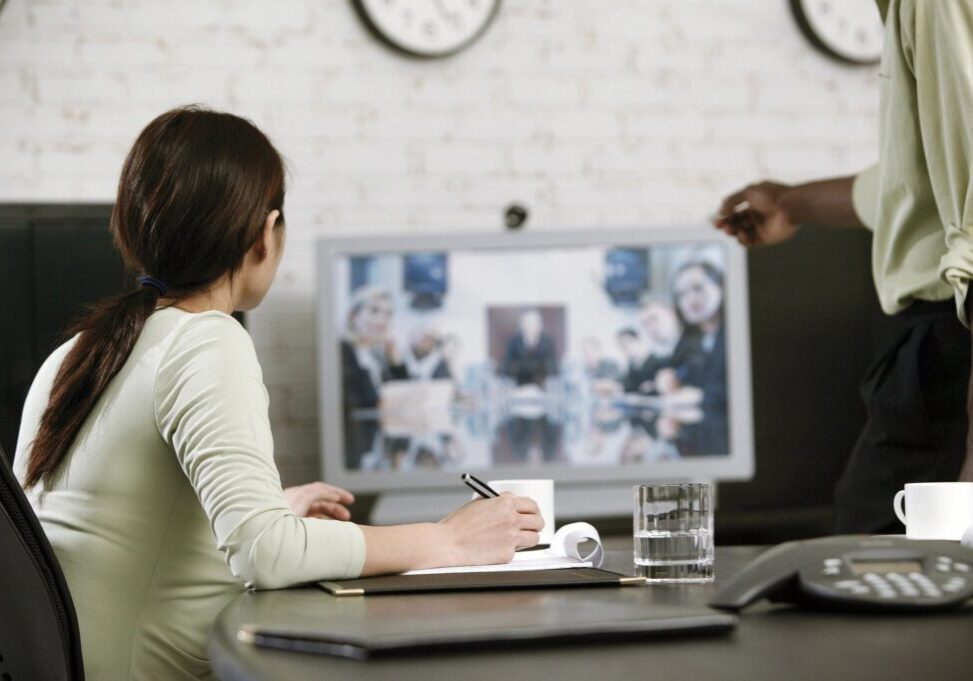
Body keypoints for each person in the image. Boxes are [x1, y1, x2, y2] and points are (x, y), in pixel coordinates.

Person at [12, 106, 542, 680]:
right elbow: (266, 553)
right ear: (266, 235)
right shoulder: (207, 340)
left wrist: (276, 511)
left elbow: (126, 532)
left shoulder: (79, 352)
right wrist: (448, 540)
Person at [714, 1, 973, 533]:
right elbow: (926, 182)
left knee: (869, 575)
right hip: (941, 348)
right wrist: (794, 203)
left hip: (952, 350)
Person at [499, 308, 559, 387]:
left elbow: (553, 369)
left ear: (540, 326)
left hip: (542, 387)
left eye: (535, 324)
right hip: (518, 387)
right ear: (522, 325)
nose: (531, 327)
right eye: (528, 324)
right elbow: (506, 368)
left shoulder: (547, 342)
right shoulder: (514, 342)